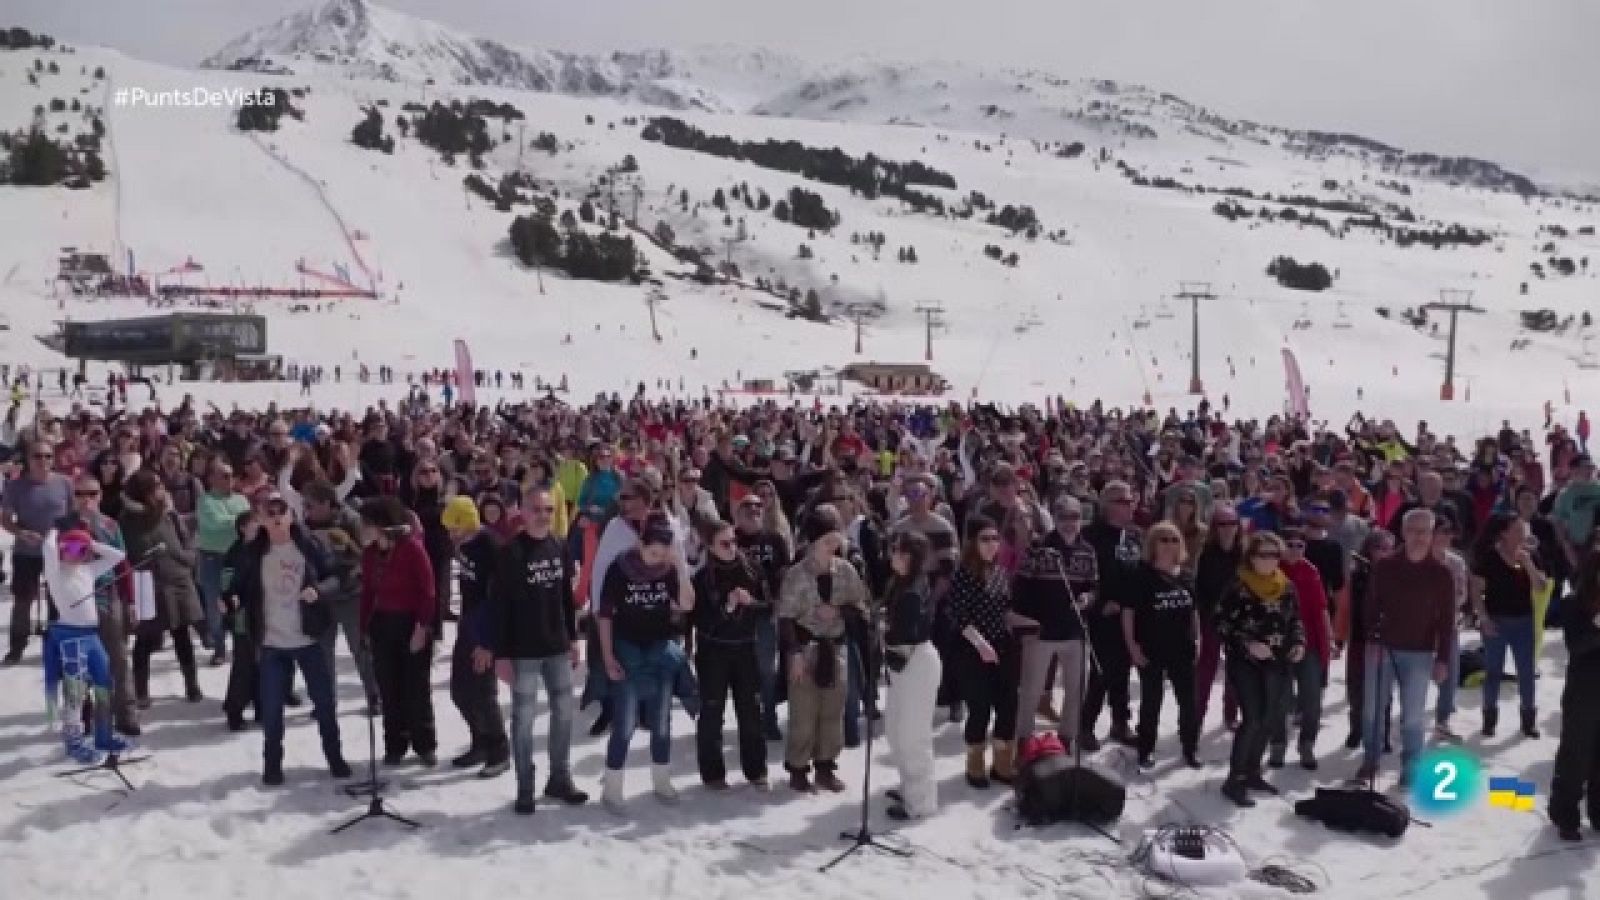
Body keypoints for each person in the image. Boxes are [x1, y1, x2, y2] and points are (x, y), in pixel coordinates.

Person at [229, 491, 349, 785]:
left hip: (309, 639)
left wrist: (318, 591)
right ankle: (272, 765)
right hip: (272, 643)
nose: (276, 517)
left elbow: (337, 577)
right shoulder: (254, 552)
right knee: (271, 711)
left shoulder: (309, 545)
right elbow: (237, 586)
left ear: (291, 515)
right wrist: (231, 599)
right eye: (269, 513)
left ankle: (335, 758)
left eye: (281, 510)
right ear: (260, 519)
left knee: (324, 705)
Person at [484, 486, 588, 814]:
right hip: (523, 650)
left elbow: (566, 599)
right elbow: (499, 606)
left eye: (548, 510)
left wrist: (573, 639)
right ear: (523, 512)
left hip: (557, 645)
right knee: (523, 719)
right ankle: (525, 787)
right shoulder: (510, 552)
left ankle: (560, 778)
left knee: (564, 713)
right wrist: (501, 654)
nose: (543, 516)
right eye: (536, 509)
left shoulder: (559, 546)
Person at [597, 512, 693, 812]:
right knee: (625, 722)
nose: (656, 561)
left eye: (663, 555)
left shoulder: (668, 569)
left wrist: (680, 568)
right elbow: (604, 615)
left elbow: (687, 604)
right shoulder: (619, 568)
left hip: (659, 648)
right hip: (627, 649)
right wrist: (608, 655)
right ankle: (612, 786)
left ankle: (661, 779)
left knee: (661, 720)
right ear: (640, 543)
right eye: (653, 554)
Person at [1355, 509, 1454, 788]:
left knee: (1412, 714)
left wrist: (1443, 659)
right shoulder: (1385, 566)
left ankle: (1411, 766)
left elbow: (1446, 621)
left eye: (1424, 531)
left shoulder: (1441, 573)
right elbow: (1370, 606)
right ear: (1403, 532)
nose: (1418, 537)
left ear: (1432, 535)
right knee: (1373, 709)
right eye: (1413, 530)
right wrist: (1371, 637)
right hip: (1382, 647)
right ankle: (1371, 758)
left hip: (1419, 651)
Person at [778, 506, 869, 793]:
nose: (833, 546)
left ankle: (825, 766)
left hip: (835, 648)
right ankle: (798, 768)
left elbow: (861, 608)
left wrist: (839, 611)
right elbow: (785, 618)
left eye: (836, 540)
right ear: (813, 542)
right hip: (805, 648)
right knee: (803, 713)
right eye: (827, 541)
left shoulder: (846, 571)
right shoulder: (796, 575)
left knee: (832, 711)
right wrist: (793, 654)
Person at [1217, 531, 1304, 806]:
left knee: (1269, 719)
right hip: (1246, 663)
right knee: (1252, 718)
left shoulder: (1286, 586)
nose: (1269, 560)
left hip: (1277, 662)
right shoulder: (1238, 586)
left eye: (1274, 555)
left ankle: (1252, 771)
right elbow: (1220, 623)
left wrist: (1298, 642)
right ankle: (1235, 779)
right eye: (1263, 554)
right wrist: (1248, 643)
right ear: (1251, 557)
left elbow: (1295, 619)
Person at [949, 515, 1031, 787]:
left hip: (1003, 646)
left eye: (996, 538)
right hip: (972, 650)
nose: (992, 544)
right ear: (972, 542)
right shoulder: (962, 574)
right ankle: (975, 765)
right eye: (985, 539)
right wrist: (981, 644)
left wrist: (1031, 622)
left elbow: (1004, 611)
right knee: (980, 708)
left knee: (1008, 706)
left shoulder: (1000, 572)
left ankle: (1002, 764)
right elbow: (959, 618)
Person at [54, 474, 139, 736]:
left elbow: (122, 564)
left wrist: (130, 600)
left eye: (92, 494)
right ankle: (83, 714)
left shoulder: (110, 525)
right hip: (76, 598)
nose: (86, 500)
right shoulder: (62, 525)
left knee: (118, 657)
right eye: (80, 494)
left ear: (100, 496)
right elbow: (58, 562)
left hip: (107, 594)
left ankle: (126, 713)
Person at [359, 496, 440, 767]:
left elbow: (428, 592)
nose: (363, 528)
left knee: (416, 688)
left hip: (411, 623)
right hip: (382, 624)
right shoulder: (370, 554)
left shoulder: (412, 548)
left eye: (367, 523)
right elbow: (367, 593)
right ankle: (395, 744)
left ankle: (424, 743)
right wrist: (363, 629)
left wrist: (422, 628)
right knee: (388, 688)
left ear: (382, 525)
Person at [690, 519, 770, 790]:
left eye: (734, 541)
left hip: (745, 647)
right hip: (713, 650)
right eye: (725, 544)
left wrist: (751, 603)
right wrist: (727, 606)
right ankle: (712, 773)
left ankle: (756, 770)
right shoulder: (703, 578)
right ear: (711, 547)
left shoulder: (752, 569)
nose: (732, 548)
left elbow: (769, 607)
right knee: (712, 712)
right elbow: (701, 620)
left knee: (751, 711)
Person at [1012, 495, 1097, 747]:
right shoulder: (1039, 548)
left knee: (1075, 689)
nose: (1070, 523)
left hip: (1074, 631)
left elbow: (1094, 586)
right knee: (1031, 690)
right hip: (1042, 631)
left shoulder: (1087, 550)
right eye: (1063, 517)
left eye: (1075, 517)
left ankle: (1066, 738)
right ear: (1055, 519)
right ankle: (1024, 741)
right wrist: (1027, 625)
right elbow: (1021, 588)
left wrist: (1087, 598)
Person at [40, 529, 129, 763]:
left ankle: (103, 735)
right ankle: (74, 742)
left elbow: (118, 556)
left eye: (81, 550)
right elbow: (48, 548)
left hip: (92, 635)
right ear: (62, 550)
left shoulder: (88, 570)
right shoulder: (55, 572)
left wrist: (93, 544)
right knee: (75, 690)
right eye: (71, 549)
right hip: (70, 637)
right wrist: (54, 533)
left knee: (104, 684)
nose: (76, 554)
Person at [120, 469, 205, 706]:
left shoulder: (169, 513)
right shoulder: (127, 520)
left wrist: (187, 558)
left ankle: (192, 684)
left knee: (181, 634)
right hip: (147, 583)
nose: (162, 490)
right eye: (156, 486)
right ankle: (141, 691)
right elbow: (123, 554)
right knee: (145, 639)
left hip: (177, 579)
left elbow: (186, 539)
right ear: (144, 491)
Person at [1123, 521, 1201, 769]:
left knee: (1188, 702)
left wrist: (1197, 638)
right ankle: (1145, 749)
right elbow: (1128, 613)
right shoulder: (1140, 575)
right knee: (1151, 702)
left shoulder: (1186, 575)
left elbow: (1194, 611)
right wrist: (1132, 646)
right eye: (1163, 539)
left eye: (1174, 539)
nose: (1169, 544)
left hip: (1182, 647)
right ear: (1152, 544)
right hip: (1151, 648)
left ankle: (1190, 748)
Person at [444, 495, 510, 776]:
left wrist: (488, 642)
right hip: (468, 622)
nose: (452, 534)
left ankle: (499, 750)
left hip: (487, 627)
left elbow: (499, 599)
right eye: (449, 529)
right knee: (459, 691)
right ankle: (480, 741)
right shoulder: (464, 544)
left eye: (455, 528)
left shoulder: (491, 547)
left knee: (483, 692)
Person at [300, 479, 379, 713]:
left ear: (326, 503)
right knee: (323, 653)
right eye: (305, 505)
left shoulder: (351, 520)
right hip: (321, 596)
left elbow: (368, 555)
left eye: (310, 505)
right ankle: (326, 701)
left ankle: (375, 695)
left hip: (351, 594)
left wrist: (347, 546)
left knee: (362, 649)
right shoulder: (305, 526)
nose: (306, 510)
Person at [1470, 511, 1548, 738]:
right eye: (1517, 529)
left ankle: (1528, 719)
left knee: (1526, 672)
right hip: (1496, 621)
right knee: (1493, 671)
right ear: (1504, 533)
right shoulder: (1489, 557)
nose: (1522, 533)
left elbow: (1541, 586)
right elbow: (1476, 591)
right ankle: (1489, 718)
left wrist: (1528, 564)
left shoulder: (1530, 555)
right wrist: (1483, 619)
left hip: (1524, 621)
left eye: (1523, 529)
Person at [1080, 479, 1142, 751]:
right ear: (1106, 505)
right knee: (1102, 671)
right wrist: (1100, 603)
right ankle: (1086, 725)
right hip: (1102, 614)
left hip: (1131, 615)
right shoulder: (1090, 536)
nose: (1129, 506)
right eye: (1122, 501)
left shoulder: (1135, 535)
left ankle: (1120, 722)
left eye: (1131, 500)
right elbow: (1083, 577)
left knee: (1123, 670)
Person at [882, 530, 940, 820]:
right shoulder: (900, 583)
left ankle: (921, 803)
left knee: (913, 735)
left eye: (899, 551)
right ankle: (909, 786)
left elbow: (907, 631)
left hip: (916, 661)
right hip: (902, 662)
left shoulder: (913, 590)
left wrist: (882, 629)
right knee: (895, 729)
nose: (894, 555)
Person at [3, 438, 73, 664]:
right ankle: (16, 647)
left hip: (57, 552)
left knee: (57, 600)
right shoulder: (15, 486)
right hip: (26, 552)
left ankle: (56, 646)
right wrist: (21, 533)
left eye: (48, 456)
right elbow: (5, 519)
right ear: (28, 459)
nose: (43, 461)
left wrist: (69, 542)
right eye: (37, 456)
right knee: (23, 601)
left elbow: (74, 516)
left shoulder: (65, 483)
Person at [1549, 528, 1600, 841]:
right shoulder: (1574, 605)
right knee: (1575, 755)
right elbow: (1577, 645)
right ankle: (1565, 813)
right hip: (1584, 691)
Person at [1269, 526, 1332, 770]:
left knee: (1312, 697)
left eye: (1300, 545)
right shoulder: (1272, 569)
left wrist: (1330, 638)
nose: (1295, 550)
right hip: (1279, 643)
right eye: (1290, 545)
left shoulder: (1311, 571)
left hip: (1310, 643)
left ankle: (1307, 744)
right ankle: (1277, 744)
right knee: (1280, 699)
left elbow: (1321, 608)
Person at [734, 492, 790, 741]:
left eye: (758, 505)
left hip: (766, 612)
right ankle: (749, 721)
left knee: (767, 670)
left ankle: (769, 719)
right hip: (738, 616)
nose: (754, 509)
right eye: (747, 505)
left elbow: (786, 572)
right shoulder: (731, 538)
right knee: (743, 671)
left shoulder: (775, 539)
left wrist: (780, 603)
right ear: (738, 512)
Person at [196, 462, 250, 667]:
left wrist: (236, 522)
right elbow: (215, 523)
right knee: (214, 604)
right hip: (213, 558)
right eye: (224, 475)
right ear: (212, 479)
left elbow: (249, 523)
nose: (229, 479)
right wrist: (237, 521)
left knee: (241, 601)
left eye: (231, 475)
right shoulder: (205, 500)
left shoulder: (241, 499)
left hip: (238, 557)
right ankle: (219, 646)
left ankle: (241, 644)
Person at [1195, 506, 1244, 730]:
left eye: (1232, 523)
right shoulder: (1207, 555)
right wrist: (1207, 614)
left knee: (1235, 668)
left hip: (1238, 618)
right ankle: (1196, 716)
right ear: (1214, 528)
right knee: (1207, 668)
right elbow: (1199, 589)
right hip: (1212, 616)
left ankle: (1230, 714)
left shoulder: (1244, 554)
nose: (1227, 529)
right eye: (1222, 524)